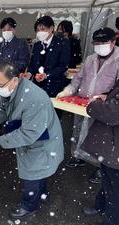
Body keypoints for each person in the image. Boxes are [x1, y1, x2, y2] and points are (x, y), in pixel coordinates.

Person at [0, 62, 64, 219]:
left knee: (33, 173)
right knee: (38, 172)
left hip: (41, 142)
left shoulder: (34, 98)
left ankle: (29, 206)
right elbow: (0, 108)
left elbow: (28, 134)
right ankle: (42, 194)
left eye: (0, 85)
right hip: (34, 138)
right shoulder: (12, 90)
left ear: (15, 79)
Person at [57, 27, 119, 183]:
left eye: (103, 42)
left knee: (101, 137)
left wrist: (107, 97)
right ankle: (78, 156)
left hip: (103, 108)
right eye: (96, 43)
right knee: (78, 130)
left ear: (113, 42)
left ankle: (101, 166)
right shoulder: (90, 58)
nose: (100, 46)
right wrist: (68, 90)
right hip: (83, 102)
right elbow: (78, 78)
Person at [81, 80, 119, 225]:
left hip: (115, 149)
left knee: (115, 190)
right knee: (108, 181)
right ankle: (101, 205)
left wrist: (93, 106)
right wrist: (107, 97)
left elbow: (114, 113)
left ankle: (110, 220)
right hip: (111, 147)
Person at [23, 16, 70, 98]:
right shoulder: (37, 45)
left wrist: (46, 75)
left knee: (52, 110)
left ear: (51, 28)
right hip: (37, 87)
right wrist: (29, 73)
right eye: (37, 30)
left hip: (54, 86)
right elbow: (33, 64)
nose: (40, 32)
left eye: (43, 29)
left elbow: (63, 66)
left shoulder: (62, 43)